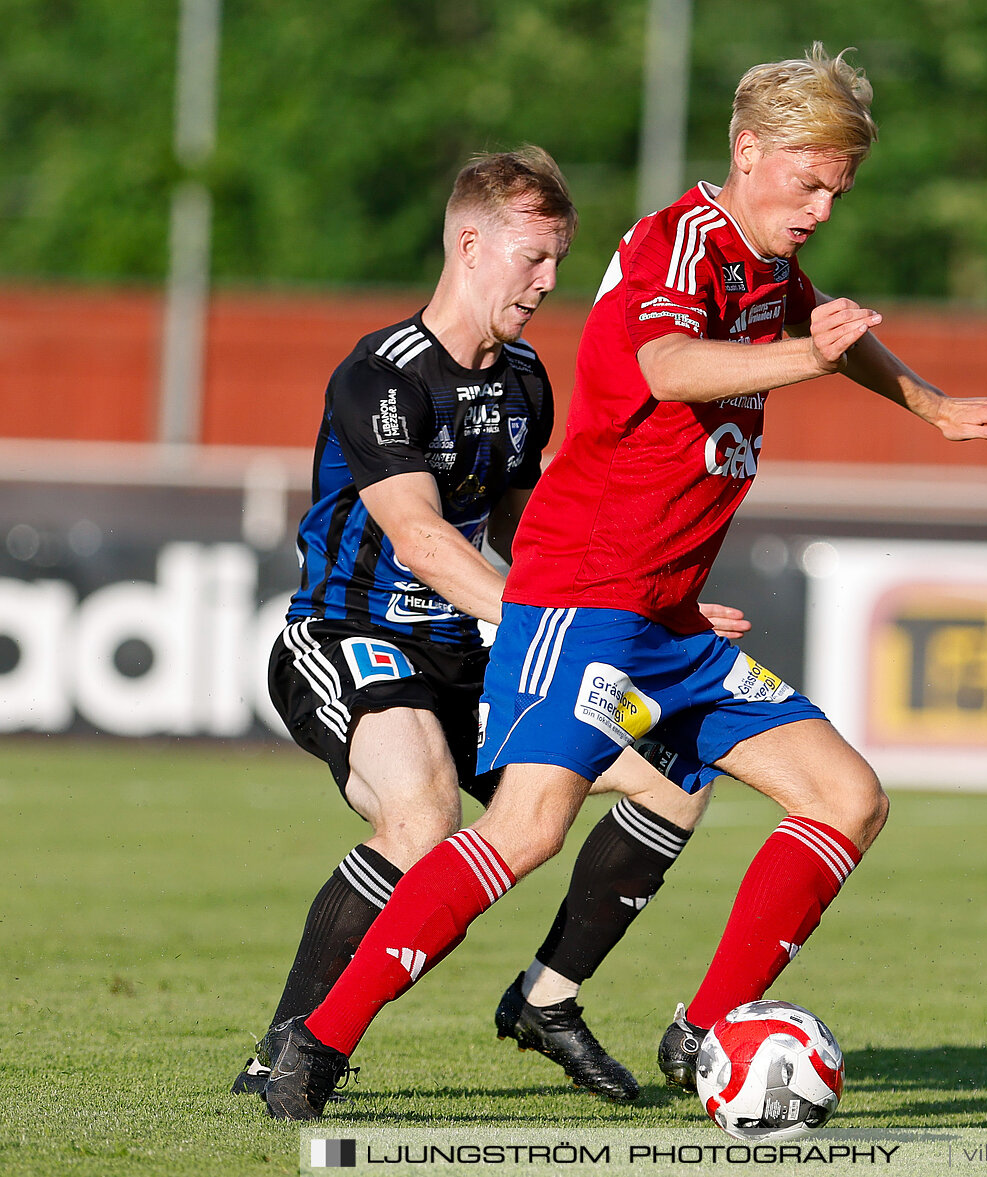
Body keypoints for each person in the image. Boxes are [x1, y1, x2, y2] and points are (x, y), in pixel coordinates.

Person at [263, 45, 987, 1121]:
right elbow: (662, 367)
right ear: (748, 150)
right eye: (807, 182)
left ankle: (705, 1029)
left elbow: (830, 330)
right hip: (581, 603)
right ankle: (315, 1044)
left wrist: (934, 404)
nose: (820, 208)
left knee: (847, 796)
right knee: (523, 829)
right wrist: (810, 361)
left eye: (838, 191)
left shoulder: (765, 262)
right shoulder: (679, 244)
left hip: (665, 622)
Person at [244, 145, 740, 1106]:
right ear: (471, 244)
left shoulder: (523, 378)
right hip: (350, 635)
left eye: (560, 260)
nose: (551, 282)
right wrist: (537, 621)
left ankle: (548, 998)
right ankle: (290, 1049)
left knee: (674, 776)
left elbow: (534, 539)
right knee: (422, 812)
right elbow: (423, 539)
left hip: (477, 647)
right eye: (536, 258)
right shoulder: (379, 376)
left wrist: (651, 607)